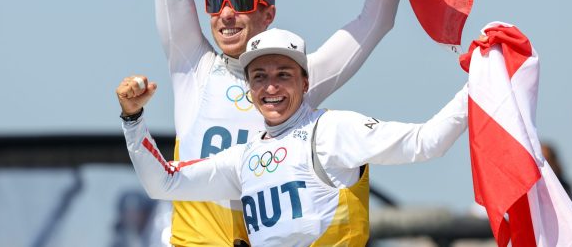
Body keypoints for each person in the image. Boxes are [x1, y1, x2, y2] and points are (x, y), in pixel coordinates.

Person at [149, 0, 403, 246]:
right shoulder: (193, 66)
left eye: (242, 1)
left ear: (268, 15)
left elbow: (374, 21)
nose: (227, 13)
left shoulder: (298, 78)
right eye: (216, 2)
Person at [117, 28, 468, 246]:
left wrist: (480, 81)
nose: (270, 87)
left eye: (283, 74)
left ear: (305, 82)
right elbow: (162, 183)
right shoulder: (245, 158)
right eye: (259, 77)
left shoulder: (332, 130)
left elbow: (428, 141)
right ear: (250, 87)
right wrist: (133, 119)